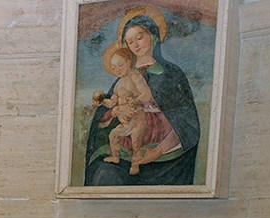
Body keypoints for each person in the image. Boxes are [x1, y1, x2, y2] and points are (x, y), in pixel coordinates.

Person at [84, 10, 201, 186]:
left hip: (166, 157)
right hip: (126, 150)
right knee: (103, 175)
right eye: (130, 41)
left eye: (140, 37)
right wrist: (115, 109)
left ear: (153, 36)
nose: (136, 45)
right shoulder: (122, 79)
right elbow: (107, 114)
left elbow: (186, 122)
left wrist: (156, 153)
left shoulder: (172, 74)